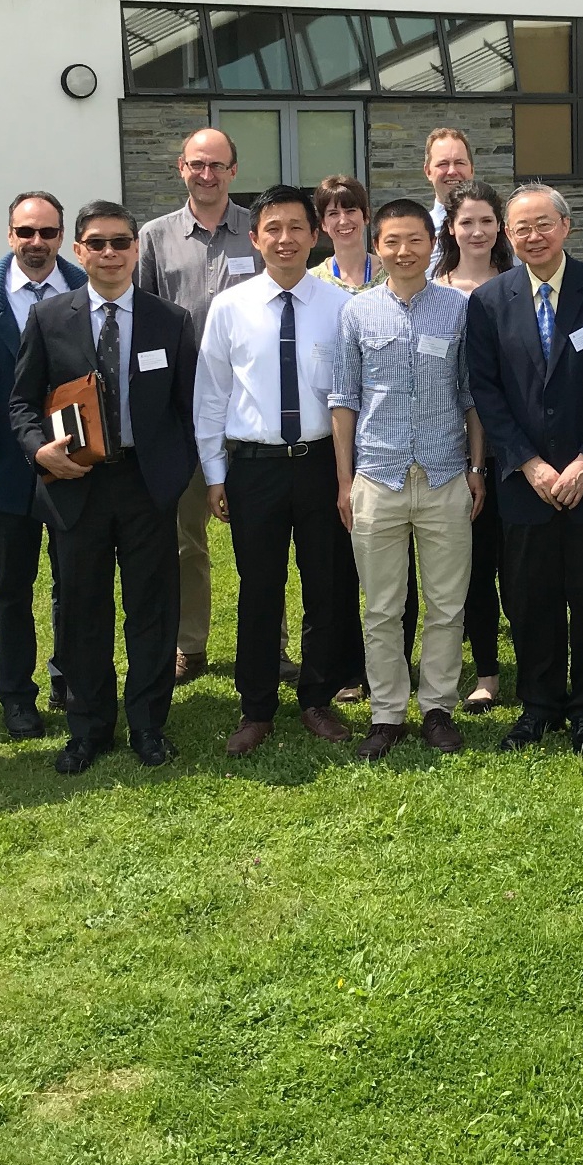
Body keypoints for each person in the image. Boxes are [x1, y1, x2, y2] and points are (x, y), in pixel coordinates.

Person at [11, 202, 200, 773]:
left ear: (136, 250)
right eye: (98, 243)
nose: (111, 253)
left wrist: (174, 473)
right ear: (79, 251)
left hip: (145, 485)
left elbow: (189, 408)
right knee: (82, 610)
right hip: (77, 485)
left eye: (121, 242)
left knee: (151, 610)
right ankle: (88, 727)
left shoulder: (170, 320)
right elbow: (20, 402)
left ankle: (147, 725)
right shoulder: (49, 319)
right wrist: (38, 448)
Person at [192, 184, 361, 755]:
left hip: (319, 466)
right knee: (258, 590)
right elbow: (211, 395)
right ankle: (256, 706)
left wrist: (348, 474)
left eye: (296, 228)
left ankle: (316, 699)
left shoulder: (342, 307)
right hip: (254, 469)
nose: (285, 239)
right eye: (273, 229)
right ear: (255, 237)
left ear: (315, 236)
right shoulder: (229, 307)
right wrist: (215, 473)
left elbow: (353, 395)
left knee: (326, 586)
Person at [466, 184, 583, 753]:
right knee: (530, 597)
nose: (533, 237)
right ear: (507, 237)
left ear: (566, 227)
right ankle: (538, 704)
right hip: (524, 482)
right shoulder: (488, 302)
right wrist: (530, 465)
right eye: (521, 229)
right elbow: (487, 395)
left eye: (544, 225)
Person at [331, 197, 484, 760]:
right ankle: (387, 712)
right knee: (381, 607)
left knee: (447, 604)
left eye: (415, 240)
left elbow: (471, 397)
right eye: (391, 241)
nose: (403, 251)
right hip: (377, 475)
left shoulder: (458, 310)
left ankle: (438, 706)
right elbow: (344, 400)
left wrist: (474, 468)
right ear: (377, 247)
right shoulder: (357, 313)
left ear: (433, 243)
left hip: (444, 475)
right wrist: (345, 481)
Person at [0, 190, 87, 739]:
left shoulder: (80, 286)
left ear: (62, 237)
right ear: (10, 235)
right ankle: (16, 695)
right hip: (5, 467)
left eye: (47, 232)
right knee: (12, 587)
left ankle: (69, 677)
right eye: (25, 232)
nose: (37, 243)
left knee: (73, 581)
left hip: (73, 463)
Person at [135, 127, 259, 687]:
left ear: (234, 171)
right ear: (180, 169)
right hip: (182, 411)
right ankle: (191, 643)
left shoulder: (258, 232)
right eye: (196, 165)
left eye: (217, 165)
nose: (206, 175)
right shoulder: (155, 237)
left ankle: (269, 643)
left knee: (262, 534)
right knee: (187, 536)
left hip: (254, 408)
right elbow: (139, 316)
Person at [430, 179, 514, 706]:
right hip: (449, 452)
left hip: (513, 449)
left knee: (518, 565)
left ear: (499, 227)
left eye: (486, 220)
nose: (477, 231)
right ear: (451, 229)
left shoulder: (518, 284)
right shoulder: (435, 291)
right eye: (467, 222)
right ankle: (486, 671)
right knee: (474, 567)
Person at [314, 174, 377, 292]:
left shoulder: (392, 276)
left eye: (350, 211)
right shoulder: (314, 281)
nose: (343, 221)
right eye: (333, 213)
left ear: (366, 215)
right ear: (323, 223)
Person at [422, 126, 476, 234]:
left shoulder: (492, 231)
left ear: (472, 170)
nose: (452, 171)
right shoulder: (421, 233)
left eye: (459, 163)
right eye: (443, 164)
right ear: (428, 172)